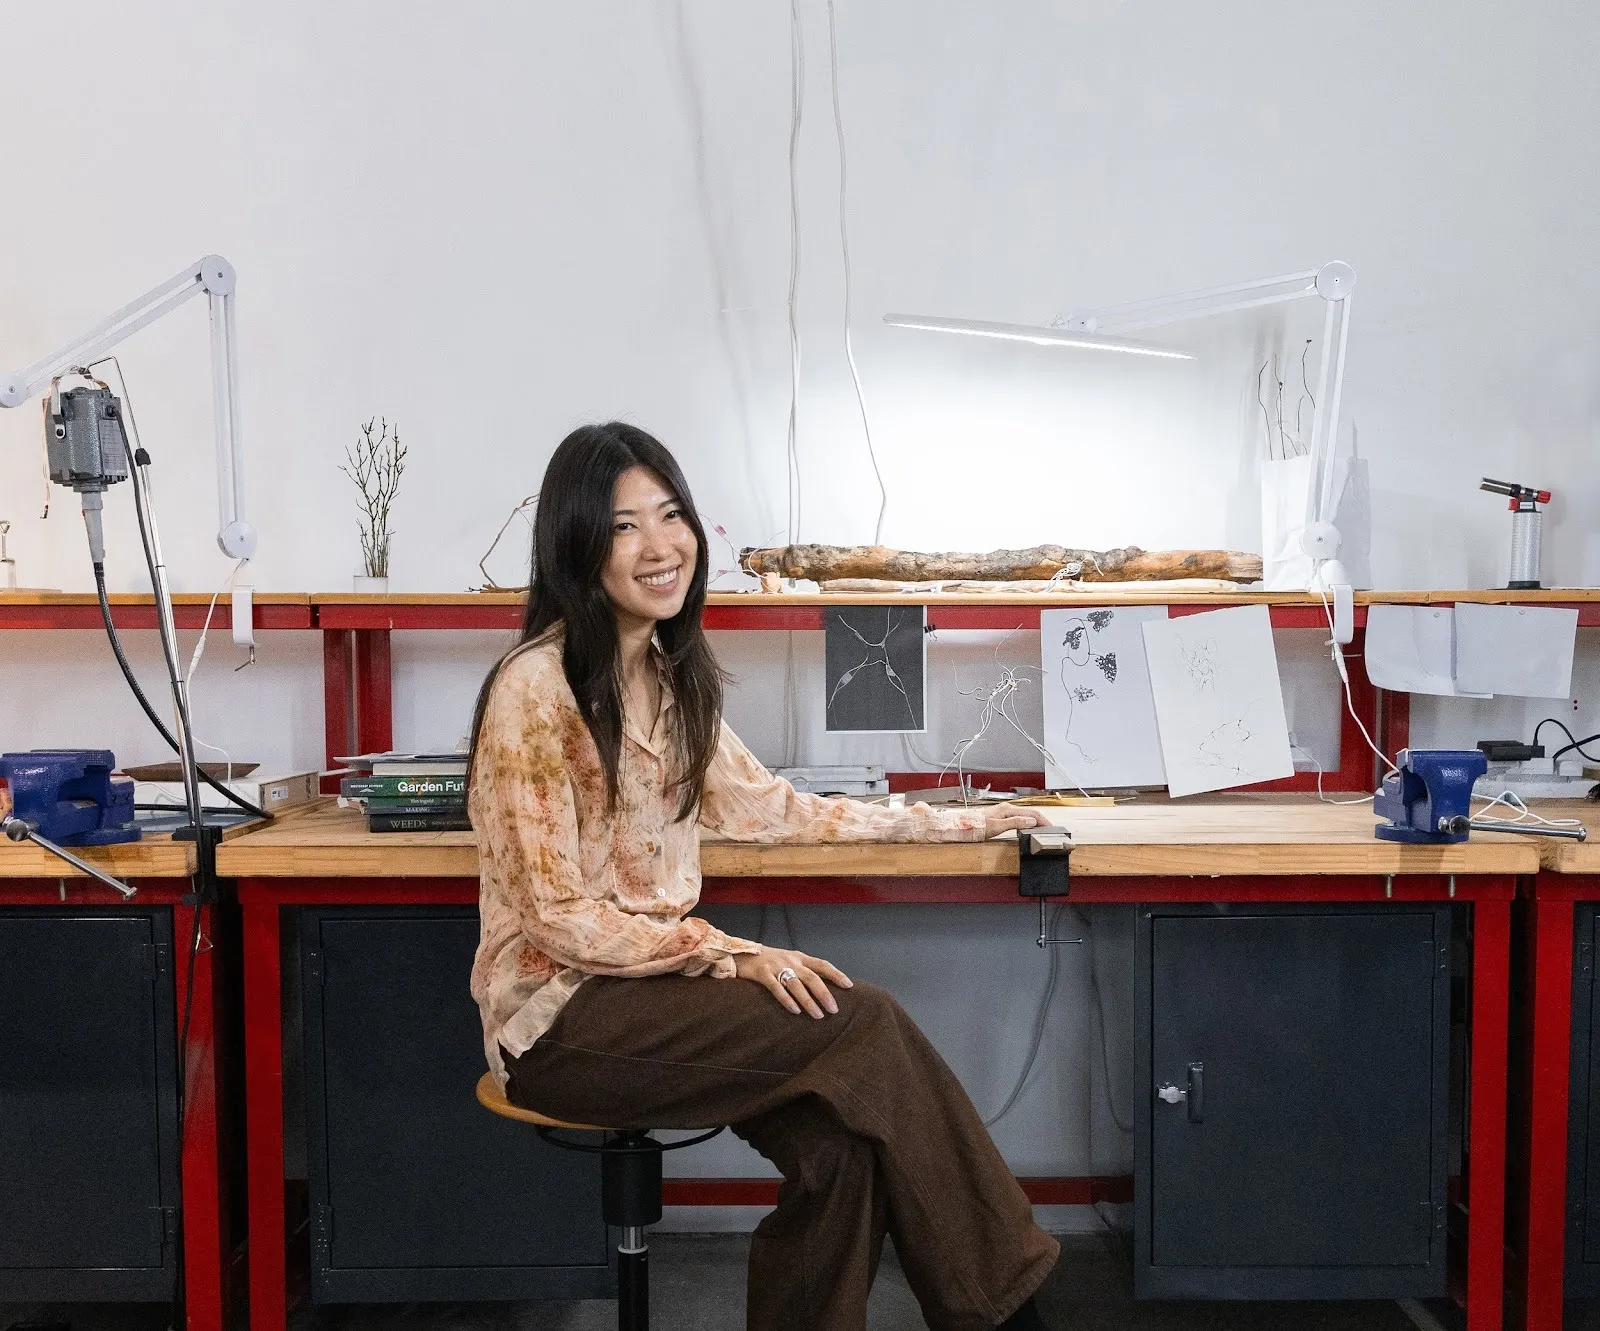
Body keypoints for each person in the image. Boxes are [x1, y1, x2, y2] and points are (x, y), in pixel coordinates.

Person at [468, 421, 1060, 1330]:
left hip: (653, 994)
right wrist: (727, 954)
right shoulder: (535, 689)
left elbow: (780, 808)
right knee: (862, 1020)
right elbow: (555, 915)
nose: (661, 546)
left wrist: (963, 817)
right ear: (577, 543)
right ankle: (1013, 1313)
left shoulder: (669, 678)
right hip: (561, 1020)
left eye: (671, 515)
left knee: (844, 1147)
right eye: (626, 526)